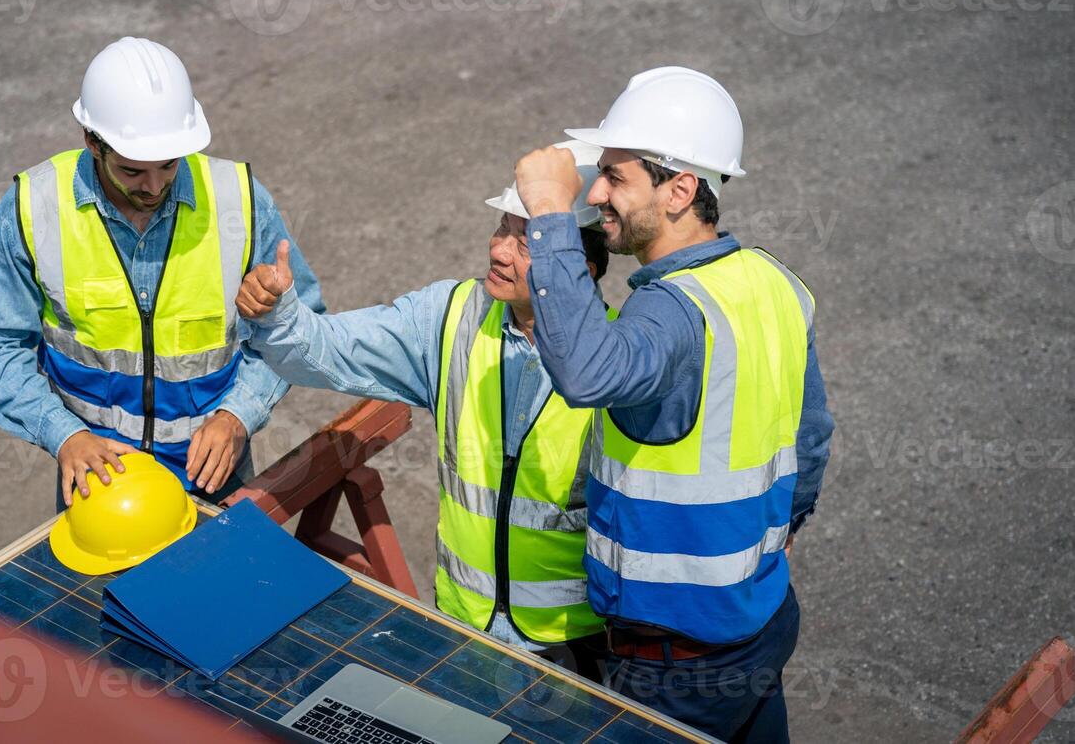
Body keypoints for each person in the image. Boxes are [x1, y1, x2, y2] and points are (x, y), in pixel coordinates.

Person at [512, 66, 835, 742]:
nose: (596, 195)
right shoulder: (773, 282)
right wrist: (770, 539)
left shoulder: (672, 311)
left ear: (681, 189)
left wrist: (547, 215)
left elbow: (588, 374)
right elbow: (810, 438)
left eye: (617, 177)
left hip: (675, 671)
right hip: (761, 621)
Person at [234, 144, 613, 678]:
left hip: (576, 648)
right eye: (502, 227)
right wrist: (278, 317)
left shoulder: (622, 360)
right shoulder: (451, 317)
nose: (499, 250)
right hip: (464, 633)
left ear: (581, 268)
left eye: (525, 240)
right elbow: (327, 351)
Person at [0, 36, 324, 509]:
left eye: (169, 165)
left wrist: (240, 414)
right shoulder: (33, 209)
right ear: (92, 141)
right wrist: (63, 434)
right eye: (133, 171)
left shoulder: (239, 200)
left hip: (217, 472)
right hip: (101, 477)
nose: (154, 186)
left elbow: (303, 322)